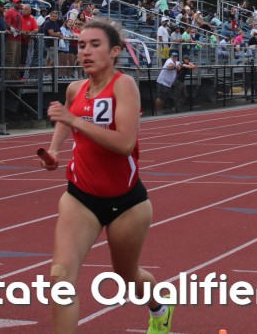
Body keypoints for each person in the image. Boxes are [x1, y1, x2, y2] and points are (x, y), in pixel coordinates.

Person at [41, 19, 173, 333]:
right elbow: (66, 117)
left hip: (127, 204)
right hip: (80, 198)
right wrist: (54, 150)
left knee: (128, 275)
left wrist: (76, 120)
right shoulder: (76, 89)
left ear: (114, 51)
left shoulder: (124, 85)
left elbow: (125, 143)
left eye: (95, 45)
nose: (85, 52)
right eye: (81, 46)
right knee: (60, 277)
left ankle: (159, 308)